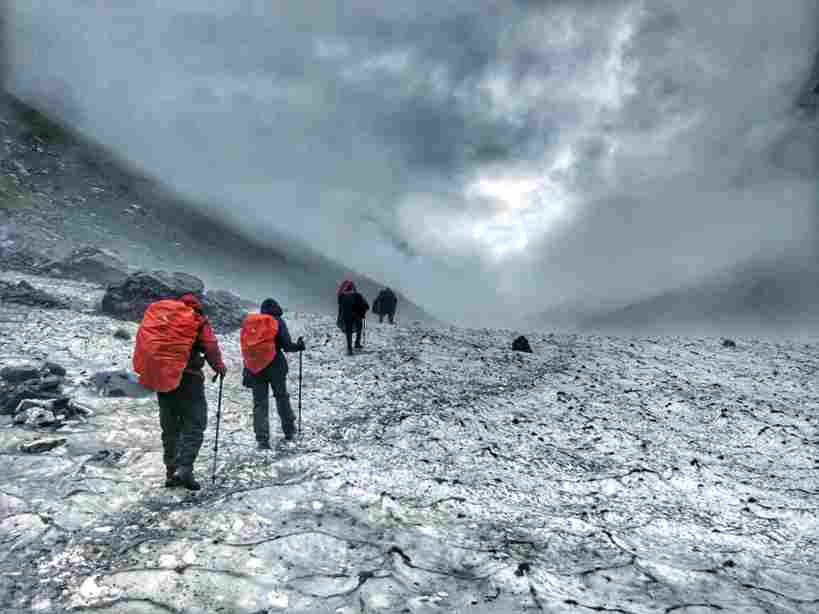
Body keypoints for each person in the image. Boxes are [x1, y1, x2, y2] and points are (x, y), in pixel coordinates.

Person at [133, 293, 226, 491]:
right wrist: (219, 367)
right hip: (189, 378)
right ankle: (184, 469)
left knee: (170, 425)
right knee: (195, 422)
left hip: (162, 376)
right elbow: (210, 345)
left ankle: (170, 472)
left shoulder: (163, 320)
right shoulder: (197, 319)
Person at [241, 298, 305, 450]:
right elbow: (287, 346)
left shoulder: (252, 324)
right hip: (275, 365)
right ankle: (289, 431)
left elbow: (246, 348)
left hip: (255, 367)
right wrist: (299, 346)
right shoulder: (277, 321)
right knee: (281, 397)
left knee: (260, 403)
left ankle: (262, 440)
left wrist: (247, 369)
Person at [337, 280, 369, 355]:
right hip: (357, 316)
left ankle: (349, 348)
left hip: (346, 316)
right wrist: (362, 312)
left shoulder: (342, 296)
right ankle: (357, 343)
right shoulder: (358, 295)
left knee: (348, 332)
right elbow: (366, 306)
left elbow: (340, 307)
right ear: (353, 288)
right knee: (359, 329)